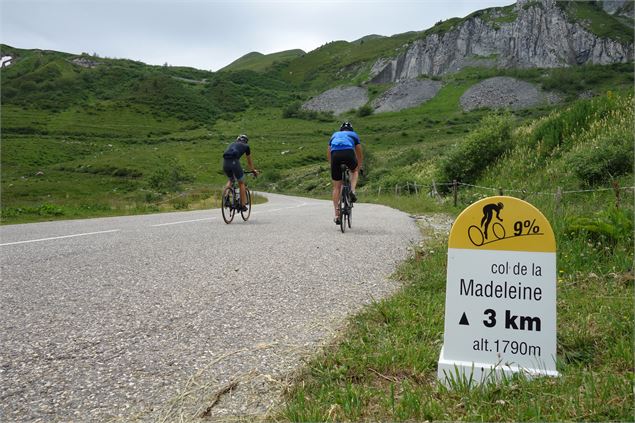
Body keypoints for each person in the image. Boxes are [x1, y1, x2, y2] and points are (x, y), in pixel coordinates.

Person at [327, 121, 363, 225]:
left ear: (340, 130)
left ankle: (337, 215)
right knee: (354, 171)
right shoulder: (353, 135)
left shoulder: (334, 135)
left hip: (335, 156)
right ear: (351, 130)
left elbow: (329, 152)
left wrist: (333, 165)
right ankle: (352, 190)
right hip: (348, 153)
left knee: (336, 187)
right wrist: (358, 167)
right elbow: (359, 154)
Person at [222, 134, 259, 211]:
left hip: (225, 163)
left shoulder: (232, 144)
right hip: (234, 162)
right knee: (241, 182)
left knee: (231, 180)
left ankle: (225, 198)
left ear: (238, 139)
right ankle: (242, 205)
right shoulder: (246, 146)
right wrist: (253, 170)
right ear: (246, 141)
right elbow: (249, 162)